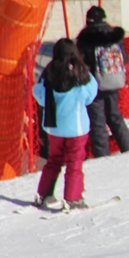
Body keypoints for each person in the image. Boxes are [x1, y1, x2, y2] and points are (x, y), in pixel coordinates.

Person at [32, 39, 98, 210]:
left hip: (54, 127)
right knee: (74, 162)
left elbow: (38, 93)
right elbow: (90, 94)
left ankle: (43, 194)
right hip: (76, 127)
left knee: (53, 160)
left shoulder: (48, 72)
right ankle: (73, 198)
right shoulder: (82, 72)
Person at [75, 5, 129, 158]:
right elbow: (125, 59)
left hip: (94, 84)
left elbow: (79, 63)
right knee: (115, 116)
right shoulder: (115, 36)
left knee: (97, 123)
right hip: (113, 80)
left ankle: (102, 157)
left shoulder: (85, 38)